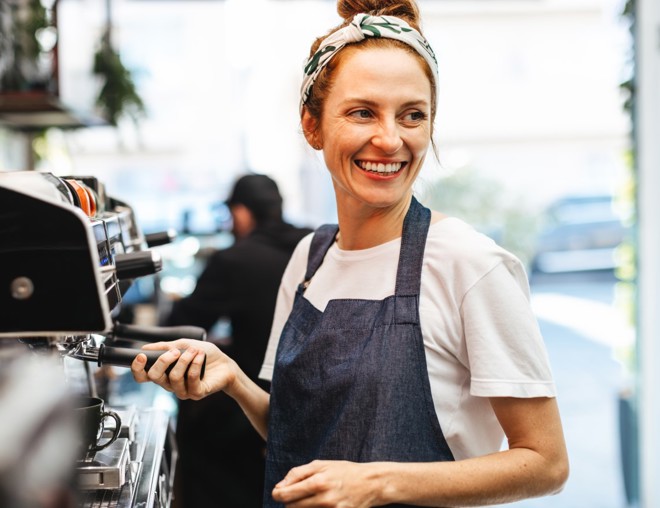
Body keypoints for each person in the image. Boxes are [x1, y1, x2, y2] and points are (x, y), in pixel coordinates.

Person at [131, 1, 570, 506]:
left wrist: (378, 481)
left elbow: (546, 461)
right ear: (312, 126)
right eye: (363, 112)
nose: (390, 139)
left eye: (413, 115)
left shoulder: (469, 265)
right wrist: (233, 380)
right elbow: (300, 440)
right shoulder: (308, 259)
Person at [165, 173, 313, 508]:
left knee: (194, 425)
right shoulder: (316, 247)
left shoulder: (235, 259)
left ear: (242, 212)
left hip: (252, 407)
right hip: (313, 401)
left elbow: (180, 326)